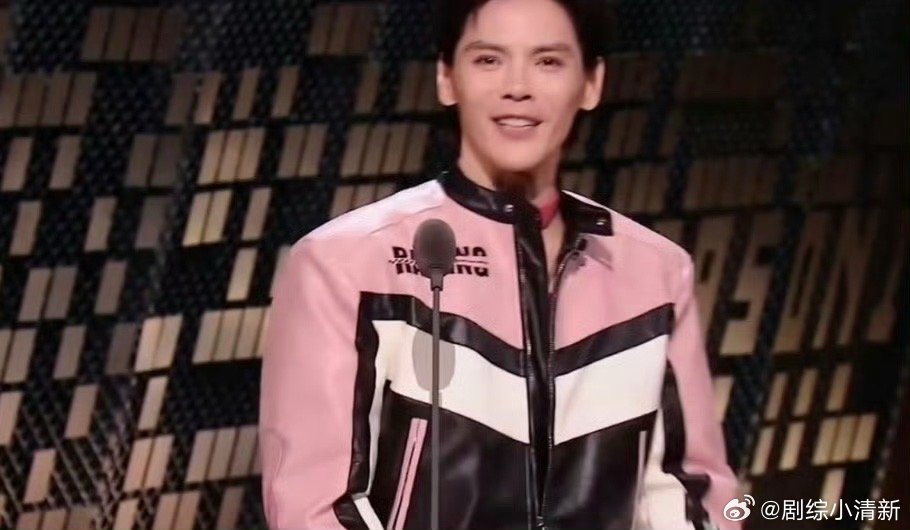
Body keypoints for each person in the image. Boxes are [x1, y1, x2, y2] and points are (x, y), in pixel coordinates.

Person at [259, 0, 742, 528]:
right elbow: (317, 508)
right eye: (488, 59)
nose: (517, 87)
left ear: (591, 83)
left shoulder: (656, 273)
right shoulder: (347, 263)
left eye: (548, 61)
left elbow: (692, 497)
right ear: (447, 78)